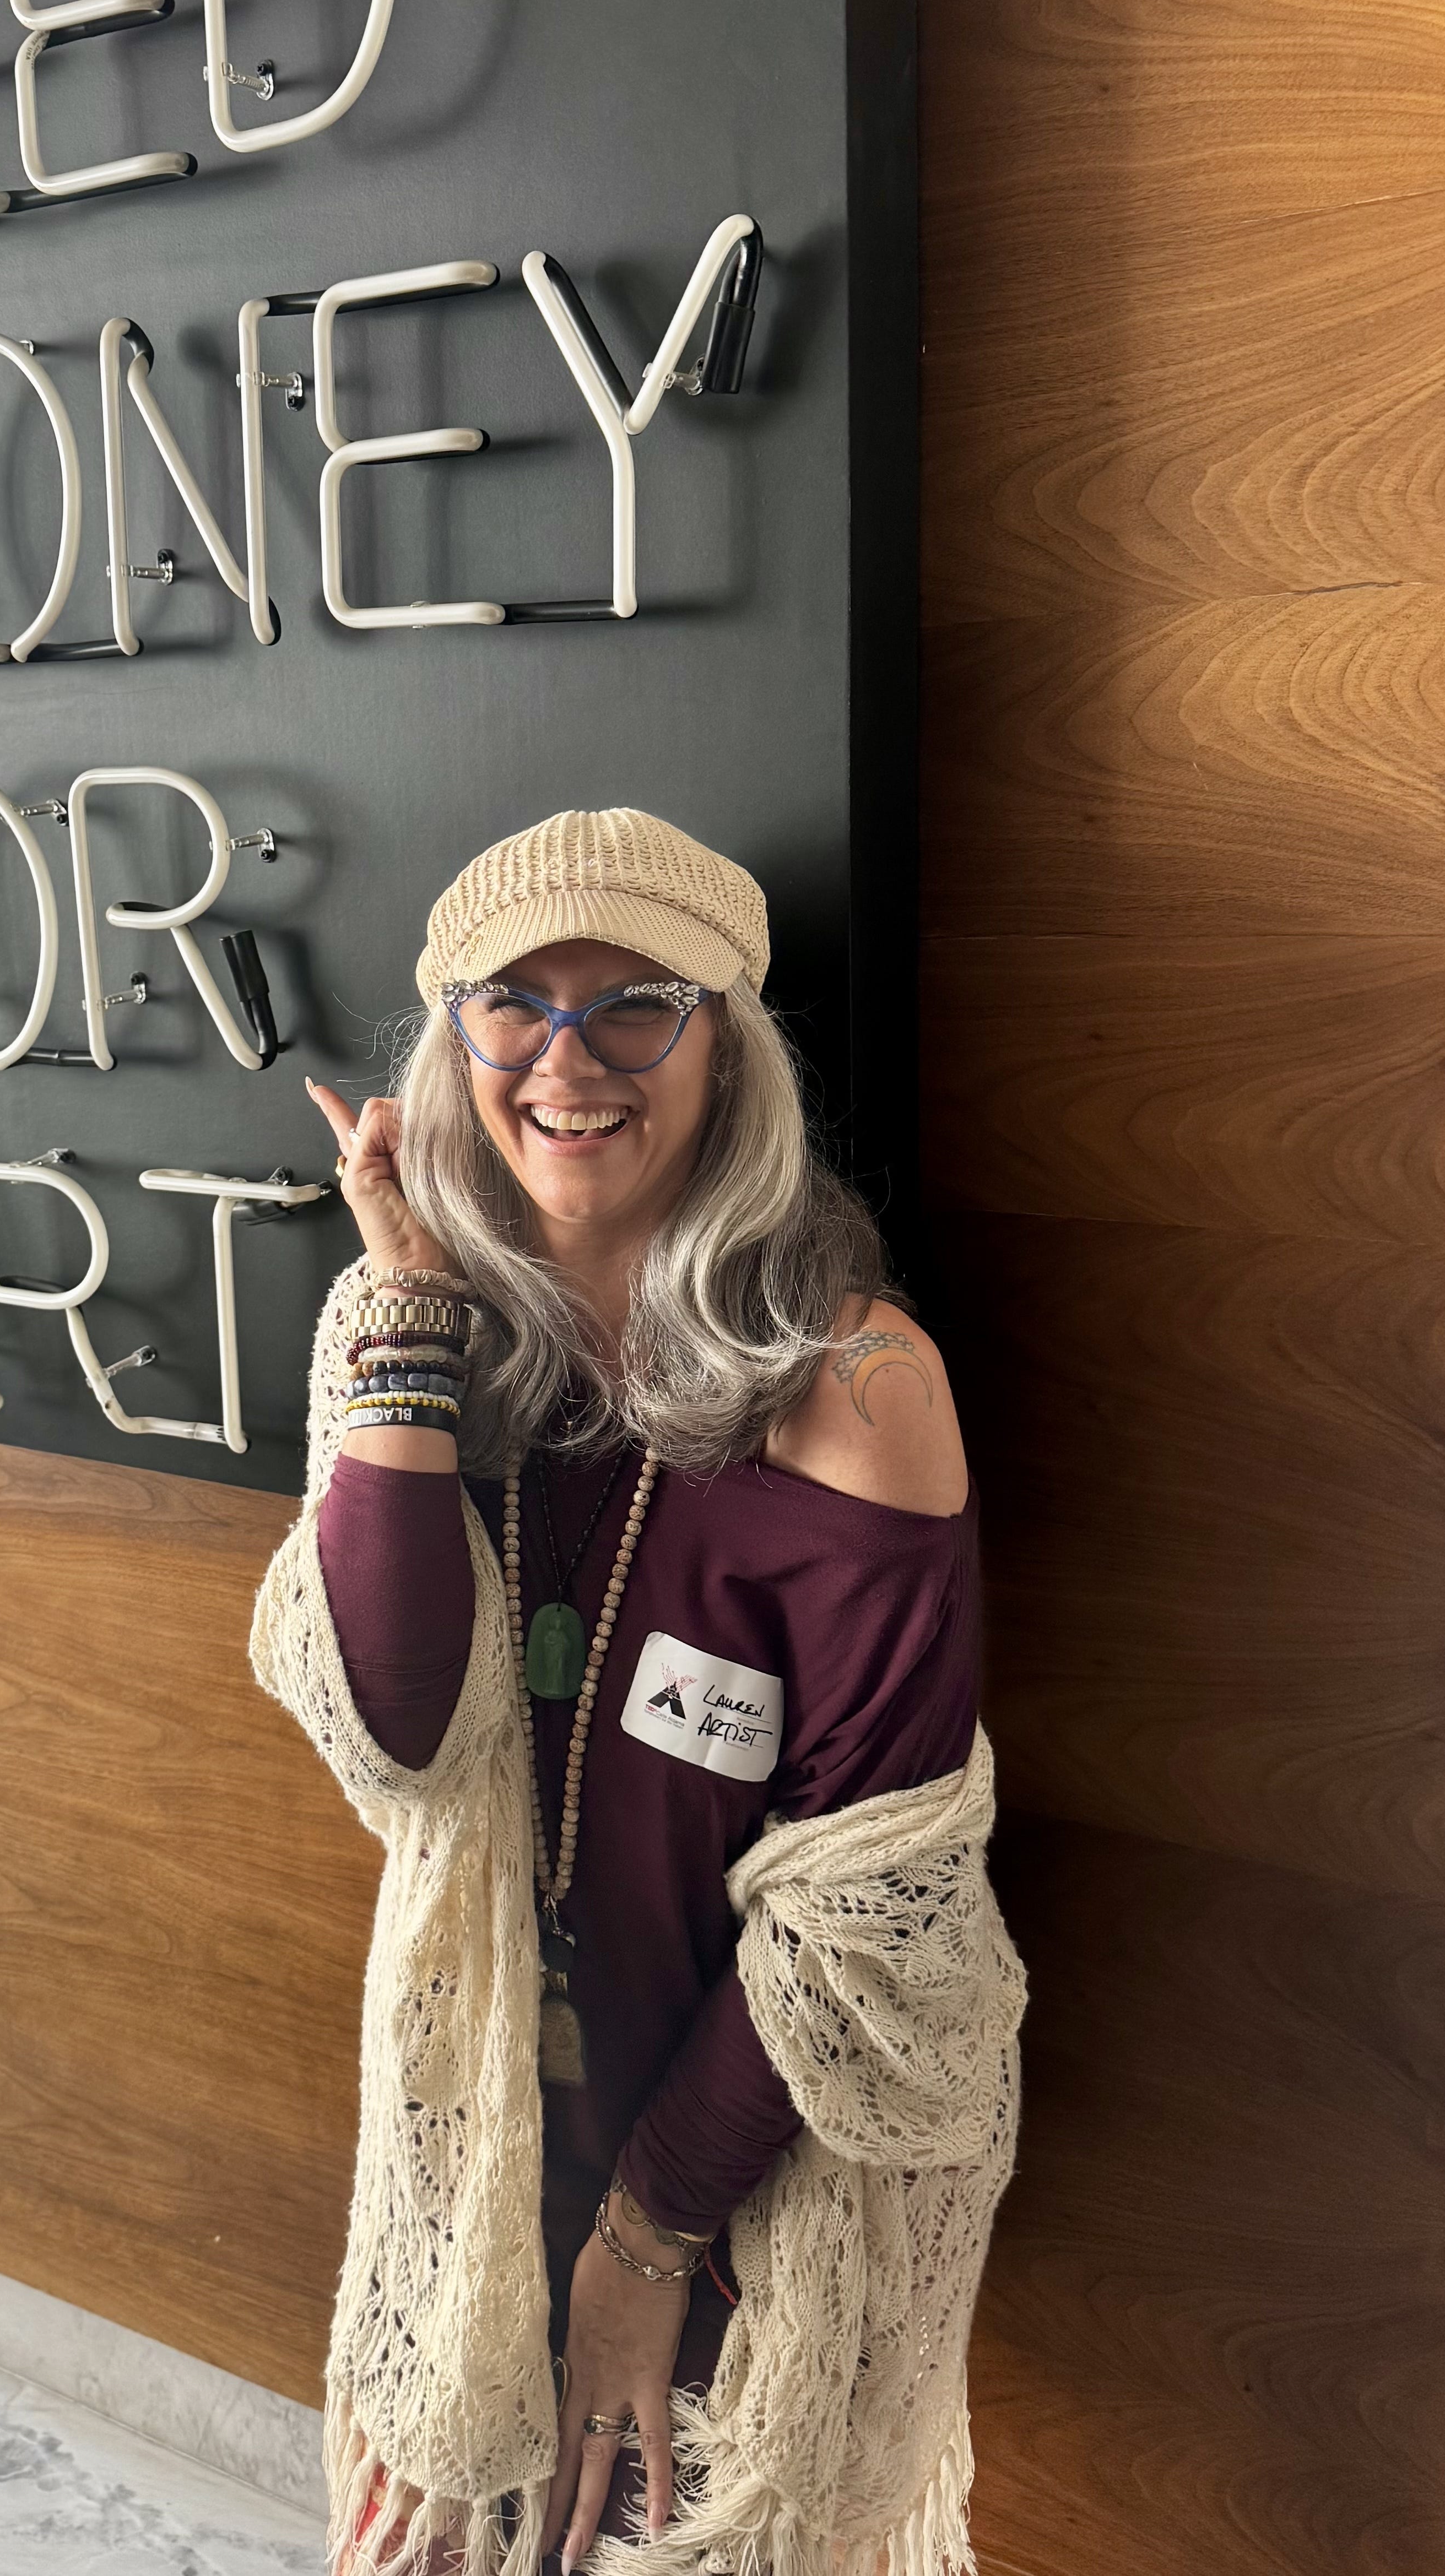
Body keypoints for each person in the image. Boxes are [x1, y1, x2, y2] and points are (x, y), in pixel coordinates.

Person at [251, 809, 1025, 2576]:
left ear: (725, 1049)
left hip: (750, 2165)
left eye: (635, 1006)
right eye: (513, 1005)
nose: (567, 1060)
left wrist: (646, 2239)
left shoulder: (854, 1386)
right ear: (453, 1043)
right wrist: (404, 1304)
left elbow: (871, 1917)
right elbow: (394, 1732)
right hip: (481, 2143)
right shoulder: (406, 1332)